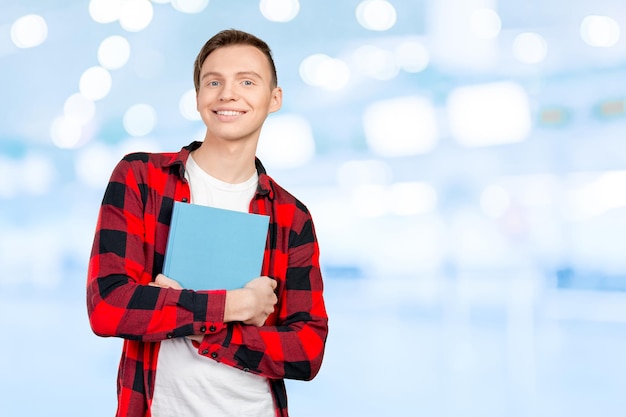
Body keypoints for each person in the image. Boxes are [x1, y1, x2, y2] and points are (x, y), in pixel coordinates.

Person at [86, 29, 328, 417]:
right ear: (198, 96)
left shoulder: (291, 216)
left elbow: (307, 351)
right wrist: (238, 304)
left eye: (247, 81)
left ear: (274, 98)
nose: (227, 94)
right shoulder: (141, 178)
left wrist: (198, 321)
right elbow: (109, 306)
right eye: (213, 81)